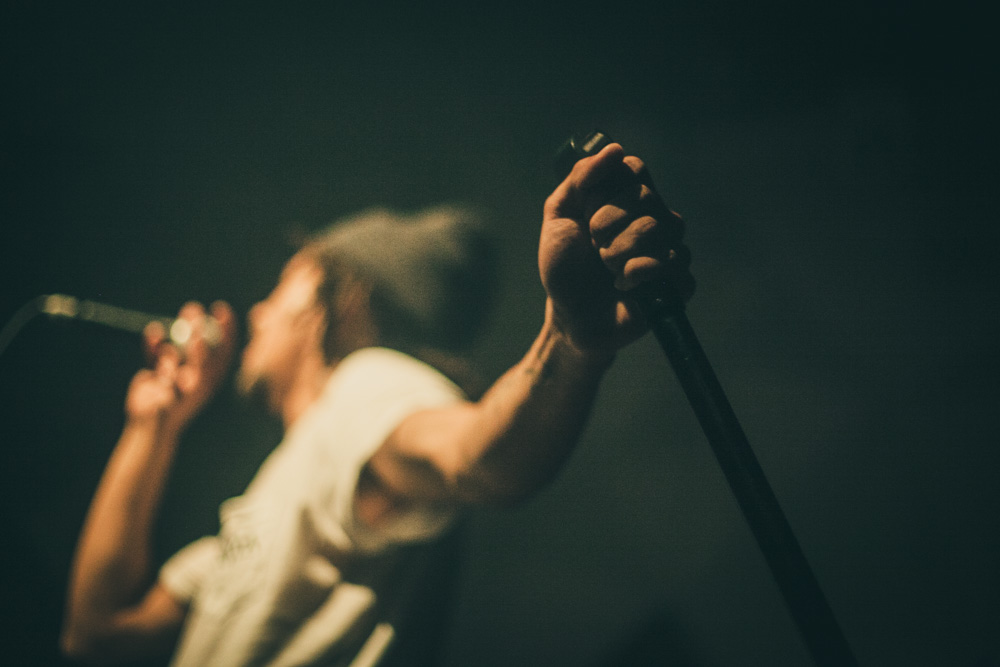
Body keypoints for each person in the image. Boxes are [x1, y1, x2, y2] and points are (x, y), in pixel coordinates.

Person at [60, 142, 694, 666]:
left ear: (324, 298)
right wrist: (154, 425)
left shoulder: (367, 388)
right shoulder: (280, 491)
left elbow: (475, 458)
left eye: (281, 285)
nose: (256, 311)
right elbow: (97, 634)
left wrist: (570, 339)